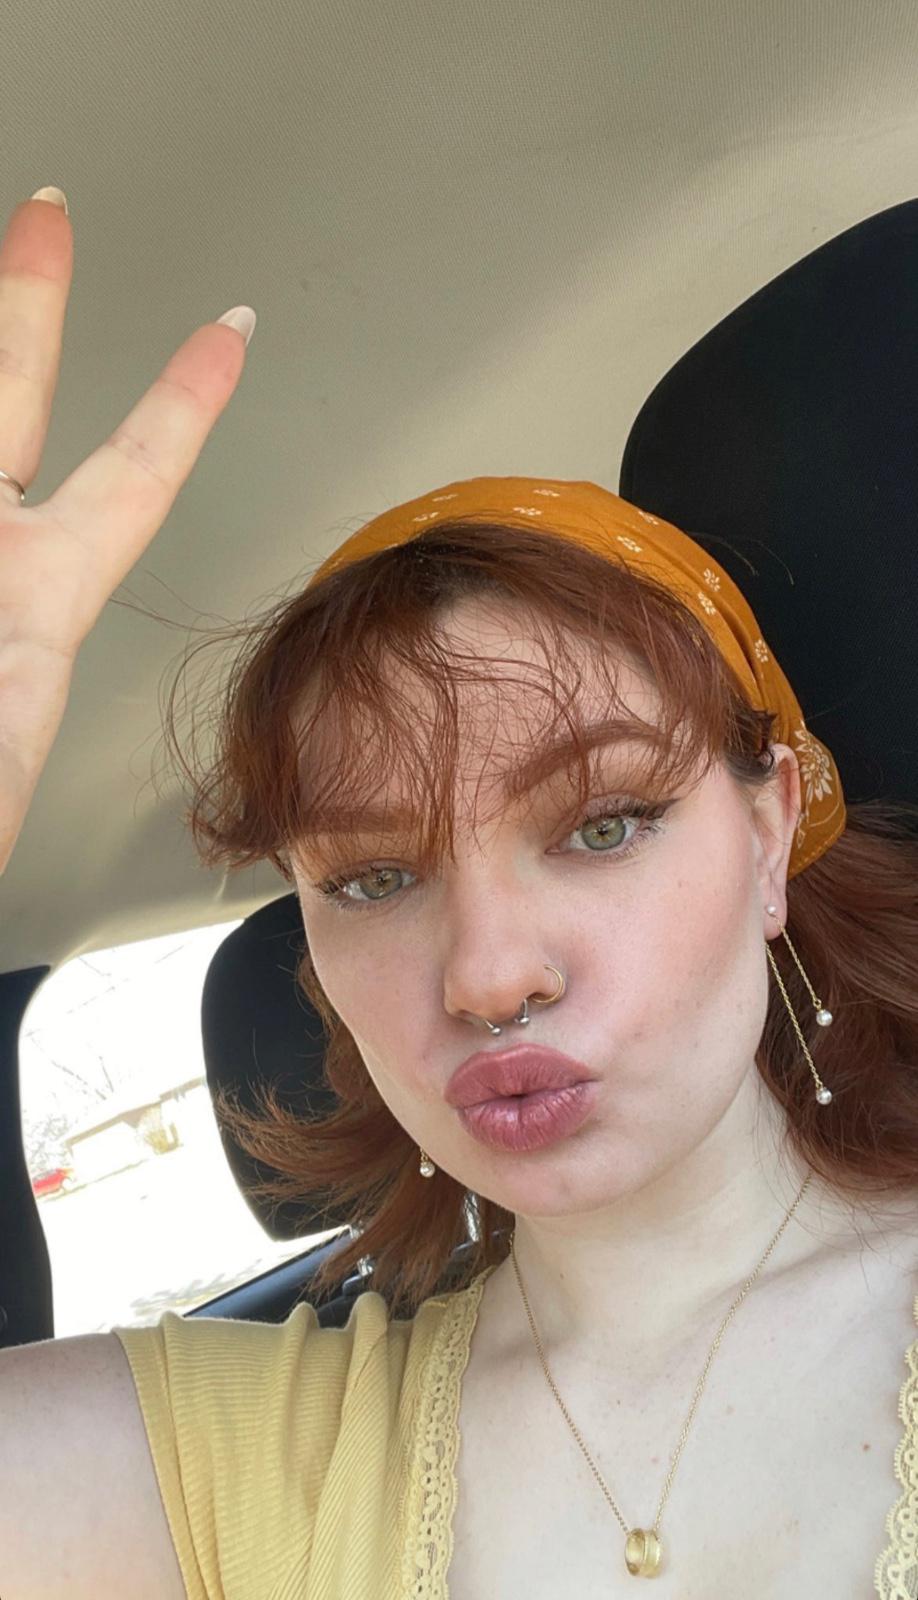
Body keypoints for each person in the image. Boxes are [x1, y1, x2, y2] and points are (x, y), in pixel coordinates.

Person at [1, 186, 917, 1599]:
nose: (490, 974)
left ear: (767, 832)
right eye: (373, 877)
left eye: (603, 825)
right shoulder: (243, 1464)